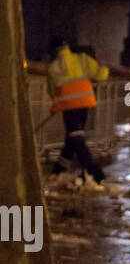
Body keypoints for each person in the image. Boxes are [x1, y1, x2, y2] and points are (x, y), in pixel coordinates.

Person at [47, 38, 108, 181]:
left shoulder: (53, 68)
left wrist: (56, 105)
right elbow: (100, 75)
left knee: (76, 139)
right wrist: (104, 67)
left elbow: (52, 92)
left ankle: (93, 171)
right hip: (84, 104)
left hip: (69, 107)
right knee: (72, 139)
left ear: (55, 51)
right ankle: (58, 171)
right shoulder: (82, 59)